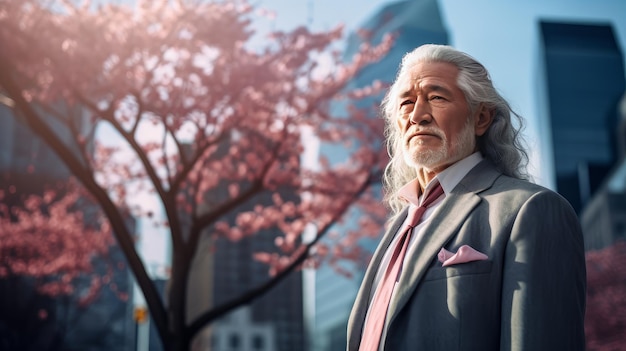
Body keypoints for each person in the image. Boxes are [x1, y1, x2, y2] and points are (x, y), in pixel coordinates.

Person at [347, 44, 586, 351]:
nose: (418, 115)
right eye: (406, 103)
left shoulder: (532, 210)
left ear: (482, 118)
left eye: (436, 97)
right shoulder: (397, 227)